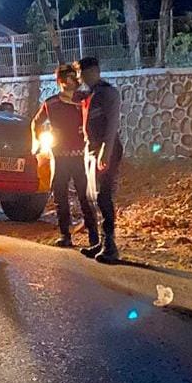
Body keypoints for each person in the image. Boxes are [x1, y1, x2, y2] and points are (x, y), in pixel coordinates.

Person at [34, 63, 97, 249]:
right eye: (68, 78)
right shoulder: (51, 103)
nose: (73, 81)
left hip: (81, 156)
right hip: (59, 156)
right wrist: (38, 142)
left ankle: (94, 236)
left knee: (85, 195)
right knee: (60, 195)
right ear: (60, 81)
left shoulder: (85, 99)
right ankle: (64, 234)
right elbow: (36, 123)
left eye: (74, 77)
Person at [77, 56, 124, 263]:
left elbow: (112, 125)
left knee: (104, 196)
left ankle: (110, 246)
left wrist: (106, 150)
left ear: (95, 72)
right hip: (91, 149)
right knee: (92, 197)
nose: (83, 78)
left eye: (86, 73)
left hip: (107, 149)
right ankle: (101, 241)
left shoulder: (108, 93)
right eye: (81, 75)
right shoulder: (89, 94)